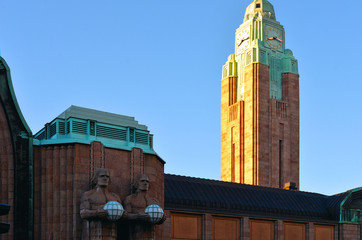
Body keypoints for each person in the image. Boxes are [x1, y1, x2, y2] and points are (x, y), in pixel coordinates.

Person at [80, 168, 122, 240]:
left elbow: (123, 215)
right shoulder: (88, 195)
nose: (105, 178)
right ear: (96, 179)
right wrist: (96, 213)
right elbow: (83, 213)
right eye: (102, 176)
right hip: (94, 233)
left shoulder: (115, 197)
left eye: (107, 176)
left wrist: (123, 214)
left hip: (112, 233)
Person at [123, 174, 165, 240]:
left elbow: (160, 219)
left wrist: (162, 218)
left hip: (151, 235)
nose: (145, 183)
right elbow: (125, 215)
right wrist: (137, 216)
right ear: (137, 183)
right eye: (142, 181)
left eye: (147, 181)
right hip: (136, 233)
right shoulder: (130, 199)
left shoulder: (154, 201)